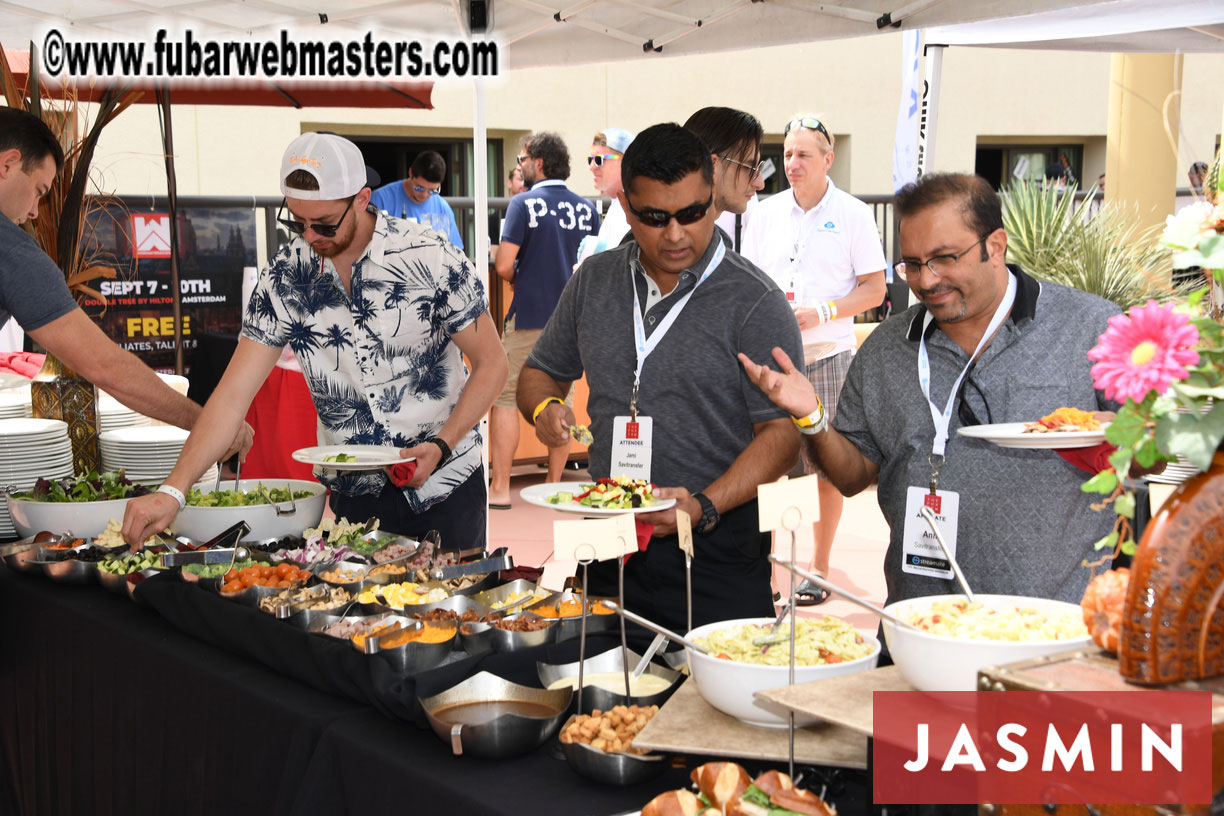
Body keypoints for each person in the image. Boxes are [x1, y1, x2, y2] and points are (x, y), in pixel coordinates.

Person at [739, 172, 1119, 610]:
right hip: (919, 627)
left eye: (944, 258)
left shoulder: (1092, 329)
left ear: (995, 246)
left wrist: (1129, 430)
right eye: (913, 264)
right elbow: (851, 476)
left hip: (1059, 631)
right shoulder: (887, 348)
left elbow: (1157, 453)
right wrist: (812, 416)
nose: (927, 280)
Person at [122, 132, 507, 548]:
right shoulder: (286, 277)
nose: (309, 236)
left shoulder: (429, 257)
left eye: (324, 225)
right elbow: (232, 396)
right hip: (355, 502)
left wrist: (440, 444)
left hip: (446, 487)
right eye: (296, 222)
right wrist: (172, 492)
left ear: (361, 200)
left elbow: (493, 364)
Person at [518, 123, 802, 633]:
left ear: (713, 200)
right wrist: (544, 410)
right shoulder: (593, 280)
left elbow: (782, 436)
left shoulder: (756, 302)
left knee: (711, 703)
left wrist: (704, 505)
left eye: (691, 214)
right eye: (655, 217)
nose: (675, 234)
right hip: (610, 534)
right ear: (626, 207)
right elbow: (539, 372)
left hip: (715, 546)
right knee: (597, 694)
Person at [0, 107, 252, 461]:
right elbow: (106, 367)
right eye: (39, 191)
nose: (35, 212)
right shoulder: (12, 250)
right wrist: (210, 425)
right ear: (7, 164)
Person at [741, 114, 886, 605]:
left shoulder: (854, 213)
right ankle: (769, 561)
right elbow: (748, 281)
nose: (793, 163)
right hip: (772, 365)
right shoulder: (762, 213)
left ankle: (819, 567)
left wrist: (822, 311)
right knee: (769, 462)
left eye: (804, 154)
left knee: (824, 464)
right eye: (787, 154)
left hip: (828, 356)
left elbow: (876, 288)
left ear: (828, 159)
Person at [488, 132, 598, 508]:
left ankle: (500, 489)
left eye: (522, 159)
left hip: (529, 315)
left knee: (504, 398)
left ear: (538, 162)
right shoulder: (587, 208)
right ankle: (554, 486)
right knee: (560, 400)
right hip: (573, 322)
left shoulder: (523, 204)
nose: (519, 166)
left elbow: (503, 265)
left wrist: (521, 274)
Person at [682, 106, 765, 223]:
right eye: (748, 168)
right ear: (711, 166)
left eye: (759, 168)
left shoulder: (713, 239)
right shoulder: (663, 236)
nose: (760, 184)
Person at [370, 150, 465, 249]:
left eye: (432, 190)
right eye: (419, 188)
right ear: (410, 173)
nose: (424, 195)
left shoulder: (443, 208)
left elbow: (456, 253)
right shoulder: (380, 200)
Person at [575, 128, 634, 264]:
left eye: (599, 159)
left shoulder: (634, 207)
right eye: (590, 159)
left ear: (625, 161)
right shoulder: (617, 206)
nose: (592, 166)